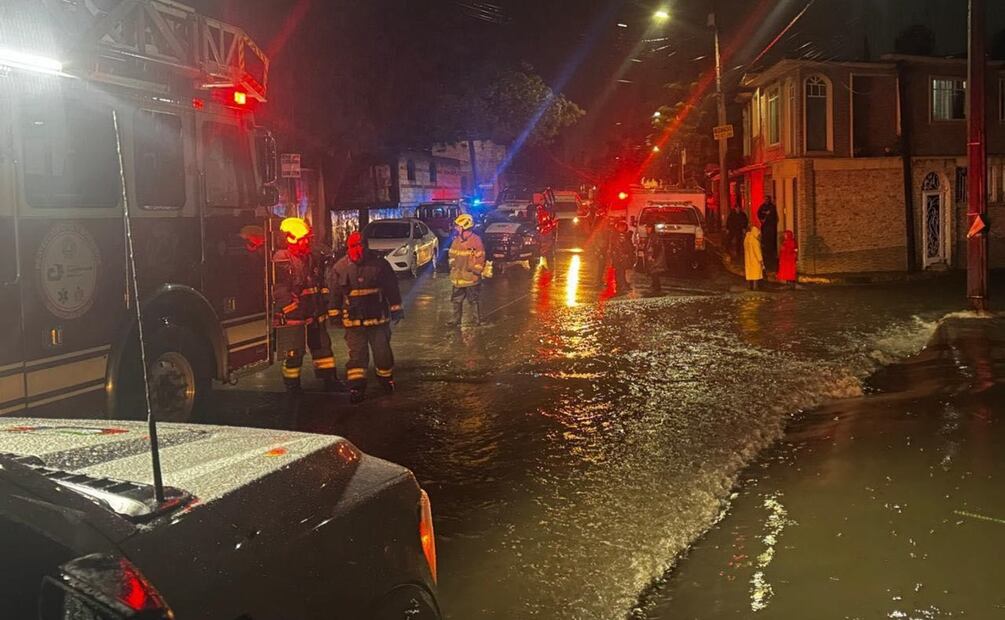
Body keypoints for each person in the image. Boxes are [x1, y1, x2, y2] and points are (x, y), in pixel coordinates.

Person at [329, 231, 403, 404]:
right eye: (354, 246)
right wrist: (334, 314)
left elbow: (392, 287)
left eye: (361, 245)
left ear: (366, 245)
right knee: (357, 356)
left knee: (382, 353)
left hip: (378, 319)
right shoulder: (339, 268)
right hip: (354, 322)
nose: (358, 249)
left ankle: (386, 381)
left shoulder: (380, 265)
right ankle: (357, 388)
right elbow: (334, 294)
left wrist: (396, 308)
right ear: (348, 247)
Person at [273, 217, 344, 393]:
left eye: (308, 239)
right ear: (291, 238)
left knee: (323, 349)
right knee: (294, 353)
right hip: (295, 317)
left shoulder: (310, 257)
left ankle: (329, 379)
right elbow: (278, 289)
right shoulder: (281, 259)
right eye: (304, 239)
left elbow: (320, 282)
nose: (307, 242)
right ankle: (292, 385)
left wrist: (325, 303)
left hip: (314, 312)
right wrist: (291, 307)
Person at [447, 213, 486, 326]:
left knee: (473, 300)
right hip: (458, 277)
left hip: (471, 278)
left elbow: (480, 258)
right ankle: (456, 320)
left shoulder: (476, 240)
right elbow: (451, 255)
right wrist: (453, 265)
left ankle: (476, 320)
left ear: (465, 227)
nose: (456, 228)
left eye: (458, 226)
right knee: (456, 300)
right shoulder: (456, 241)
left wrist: (475, 270)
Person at [609, 219, 635, 295]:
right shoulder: (617, 236)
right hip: (619, 257)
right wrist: (621, 255)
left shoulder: (623, 235)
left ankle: (622, 285)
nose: (623, 228)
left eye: (624, 227)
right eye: (621, 227)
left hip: (622, 257)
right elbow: (618, 247)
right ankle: (620, 287)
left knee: (622, 272)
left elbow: (628, 246)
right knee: (619, 272)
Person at [643, 223, 667, 294]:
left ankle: (656, 287)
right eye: (646, 228)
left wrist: (653, 257)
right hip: (651, 257)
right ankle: (654, 286)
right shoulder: (651, 236)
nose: (647, 229)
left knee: (654, 272)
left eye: (648, 228)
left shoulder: (654, 237)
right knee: (653, 272)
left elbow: (657, 247)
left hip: (654, 258)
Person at [757, 196, 779, 271]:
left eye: (767, 199)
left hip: (771, 227)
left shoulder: (772, 207)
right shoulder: (762, 207)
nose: (766, 201)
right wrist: (761, 219)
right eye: (765, 199)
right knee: (765, 241)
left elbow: (774, 217)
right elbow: (759, 213)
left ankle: (771, 254)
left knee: (771, 241)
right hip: (765, 226)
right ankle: (766, 253)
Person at [537, 205, 558, 270]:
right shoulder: (543, 214)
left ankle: (545, 254)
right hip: (543, 231)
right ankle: (544, 254)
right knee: (547, 243)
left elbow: (548, 222)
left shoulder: (543, 214)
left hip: (544, 231)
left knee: (548, 243)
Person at [743, 226, 765, 291]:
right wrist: (761, 261)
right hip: (755, 260)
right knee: (755, 274)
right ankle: (755, 287)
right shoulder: (755, 241)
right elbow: (757, 252)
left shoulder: (747, 239)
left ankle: (749, 286)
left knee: (749, 274)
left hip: (748, 259)